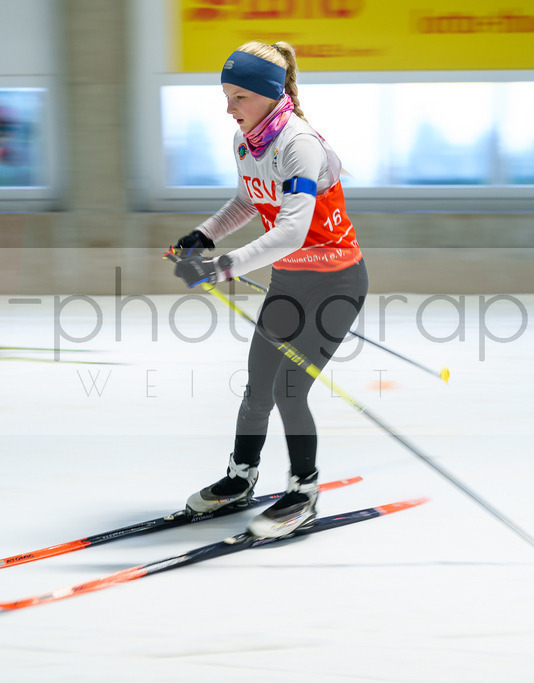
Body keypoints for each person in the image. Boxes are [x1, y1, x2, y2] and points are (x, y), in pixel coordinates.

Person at [170, 41, 368, 538]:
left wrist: (222, 267)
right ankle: (241, 478)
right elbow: (247, 201)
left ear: (269, 94)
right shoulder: (247, 142)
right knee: (258, 385)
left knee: (289, 388)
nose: (229, 108)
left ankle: (304, 490)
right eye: (226, 96)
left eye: (239, 97)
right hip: (289, 281)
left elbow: (291, 232)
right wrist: (204, 235)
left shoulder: (299, 144)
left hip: (336, 283)